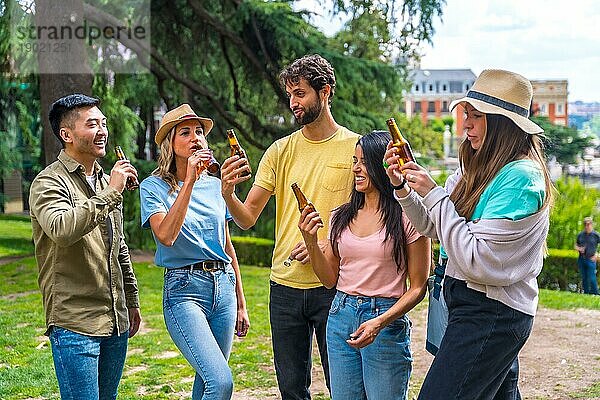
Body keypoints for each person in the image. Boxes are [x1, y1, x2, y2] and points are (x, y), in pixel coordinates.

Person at [384, 69, 554, 399]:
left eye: (476, 117)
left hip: (493, 313)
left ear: (502, 124)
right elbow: (434, 228)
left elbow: (476, 259)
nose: (466, 126)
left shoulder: (520, 179)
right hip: (473, 306)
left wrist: (433, 194)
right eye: (467, 116)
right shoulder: (474, 168)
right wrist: (403, 187)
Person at [220, 54, 360, 399]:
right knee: (291, 389)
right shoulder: (280, 151)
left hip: (336, 286)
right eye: (290, 94)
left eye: (300, 94)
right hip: (283, 288)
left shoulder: (355, 148)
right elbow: (247, 217)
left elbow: (368, 216)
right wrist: (227, 193)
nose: (293, 103)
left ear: (324, 92)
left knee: (342, 386)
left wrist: (324, 244)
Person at [297, 130, 430, 400]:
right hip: (340, 315)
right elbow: (329, 280)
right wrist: (310, 240)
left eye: (364, 162)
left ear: (383, 166)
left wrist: (379, 322)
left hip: (385, 317)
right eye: (354, 161)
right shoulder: (341, 216)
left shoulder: (409, 215)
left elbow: (418, 287)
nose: (356, 168)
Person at [29, 94, 141, 400]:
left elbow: (119, 247)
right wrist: (110, 193)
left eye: (103, 123)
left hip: (115, 320)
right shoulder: (47, 182)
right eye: (92, 124)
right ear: (67, 135)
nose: (102, 130)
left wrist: (131, 299)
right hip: (75, 324)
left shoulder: (106, 180)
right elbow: (62, 230)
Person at [140, 104, 250, 400]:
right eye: (185, 132)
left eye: (199, 132)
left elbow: (226, 245)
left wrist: (241, 301)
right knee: (221, 381)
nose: (195, 138)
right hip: (184, 291)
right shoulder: (152, 187)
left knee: (207, 382)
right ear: (170, 144)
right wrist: (188, 180)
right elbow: (166, 235)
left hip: (223, 288)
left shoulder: (216, 186)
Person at [575, 217, 599, 295]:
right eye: (585, 224)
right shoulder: (580, 235)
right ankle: (586, 294)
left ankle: (596, 294)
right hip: (582, 259)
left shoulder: (596, 235)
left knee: (592, 278)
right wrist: (579, 248)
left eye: (588, 224)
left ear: (591, 225)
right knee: (584, 278)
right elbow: (576, 245)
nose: (587, 226)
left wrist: (598, 255)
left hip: (591, 259)